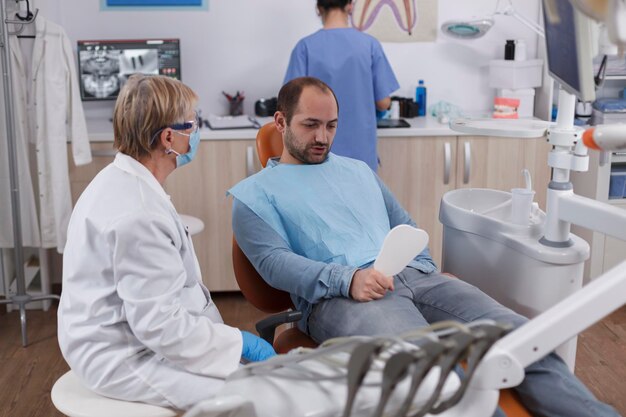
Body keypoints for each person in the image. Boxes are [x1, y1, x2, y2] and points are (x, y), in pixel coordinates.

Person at [228, 77, 619, 417]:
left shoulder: (357, 170)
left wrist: (427, 269)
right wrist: (348, 280)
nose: (323, 138)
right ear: (280, 122)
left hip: (417, 278)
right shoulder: (254, 196)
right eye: (310, 125)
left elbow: (405, 225)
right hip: (345, 297)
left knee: (525, 341)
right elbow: (274, 264)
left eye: (331, 125)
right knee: (436, 375)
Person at [58, 74, 275, 411]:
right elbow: (160, 327)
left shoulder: (127, 180)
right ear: (169, 137)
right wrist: (237, 342)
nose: (197, 130)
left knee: (250, 377)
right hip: (122, 355)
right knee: (249, 398)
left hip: (138, 335)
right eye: (194, 122)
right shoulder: (138, 212)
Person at [284, 0, 399, 171]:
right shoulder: (369, 45)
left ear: (318, 9)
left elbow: (289, 104)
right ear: (350, 6)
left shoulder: (305, 47)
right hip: (360, 156)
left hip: (316, 153)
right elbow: (383, 102)